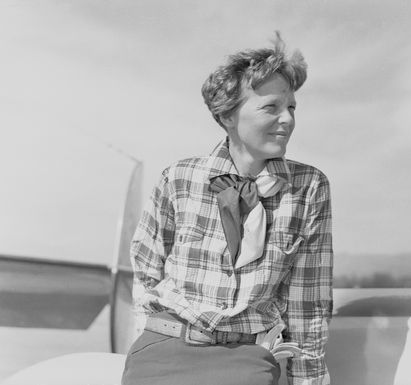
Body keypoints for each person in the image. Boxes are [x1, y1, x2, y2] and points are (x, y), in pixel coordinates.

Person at [121, 33, 334, 385]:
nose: (288, 119)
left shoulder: (308, 187)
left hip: (245, 357)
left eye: (292, 107)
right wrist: (142, 343)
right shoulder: (179, 178)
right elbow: (146, 271)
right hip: (163, 346)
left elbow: (306, 303)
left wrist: (308, 379)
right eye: (272, 107)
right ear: (229, 115)